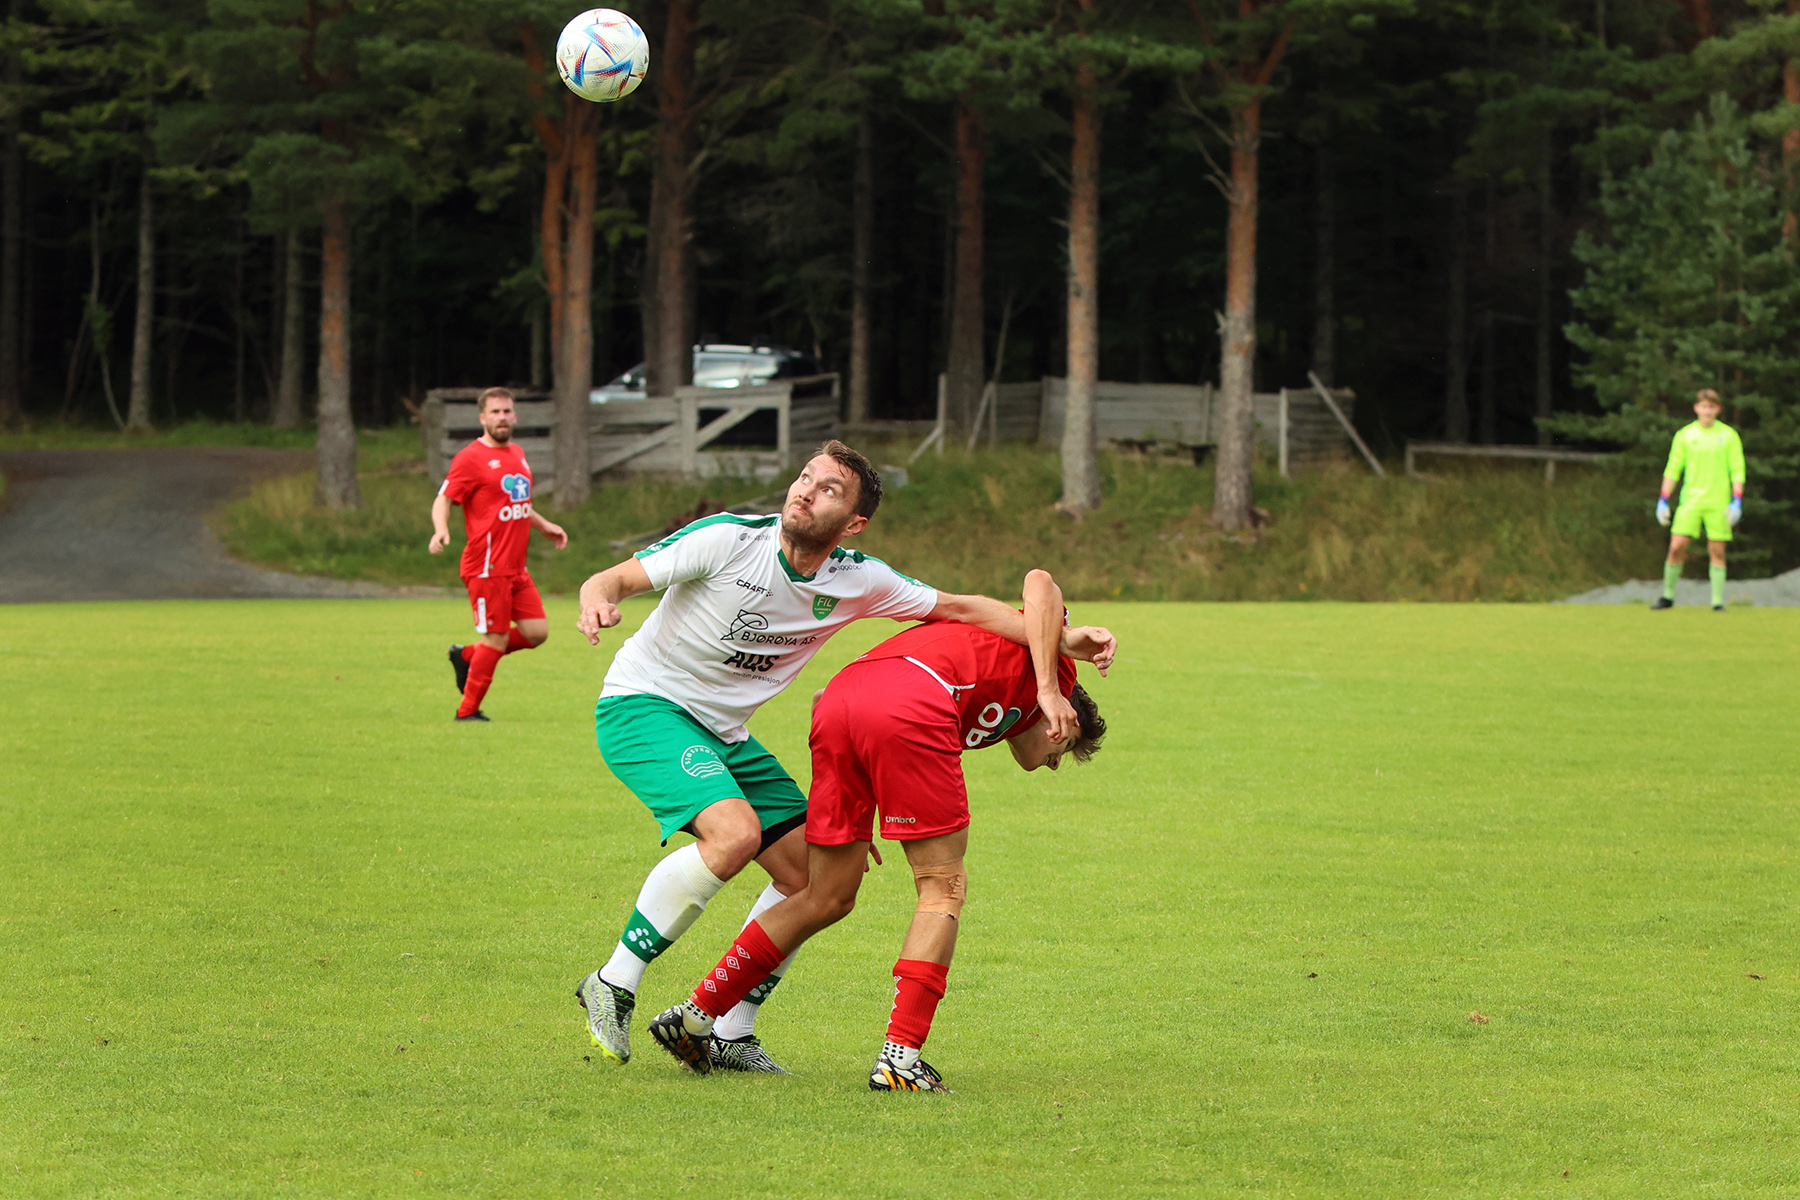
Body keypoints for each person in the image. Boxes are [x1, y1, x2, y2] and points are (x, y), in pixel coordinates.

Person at [571, 442, 1114, 1074]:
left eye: (827, 489)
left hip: (725, 733)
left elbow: (964, 608)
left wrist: (1065, 639)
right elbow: (613, 578)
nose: (804, 491)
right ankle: (613, 981)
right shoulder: (727, 540)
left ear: (854, 523)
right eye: (805, 478)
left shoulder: (858, 578)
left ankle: (729, 1028)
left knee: (820, 883)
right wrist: (597, 598)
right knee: (736, 834)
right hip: (645, 706)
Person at [646, 567, 1111, 1092]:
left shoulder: (1000, 709)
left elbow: (843, 706)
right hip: (908, 702)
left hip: (843, 702)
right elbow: (1041, 581)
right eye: (1064, 748)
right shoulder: (1056, 672)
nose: (1051, 760)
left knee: (828, 894)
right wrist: (1052, 686)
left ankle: (694, 1014)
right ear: (1067, 716)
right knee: (943, 884)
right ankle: (900, 1058)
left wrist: (857, 800)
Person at [429, 387, 568, 720]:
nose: (502, 417)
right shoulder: (470, 458)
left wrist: (544, 524)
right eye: (495, 412)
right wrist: (441, 529)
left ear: (515, 416)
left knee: (537, 633)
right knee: (496, 638)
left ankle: (466, 657)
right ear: (482, 418)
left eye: (507, 411)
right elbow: (444, 498)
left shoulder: (517, 453)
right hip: (487, 566)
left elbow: (517, 504)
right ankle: (467, 713)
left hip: (515, 567)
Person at [1653, 388, 1746, 612]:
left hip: (1718, 502)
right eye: (1704, 406)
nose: (1707, 411)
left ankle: (1716, 601)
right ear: (1697, 408)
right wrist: (1663, 499)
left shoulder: (1728, 436)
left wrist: (1737, 500)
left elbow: (1737, 469)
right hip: (1691, 501)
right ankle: (1667, 596)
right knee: (1676, 547)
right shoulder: (1685, 435)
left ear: (1717, 410)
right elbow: (1673, 468)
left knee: (1717, 551)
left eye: (1711, 407)